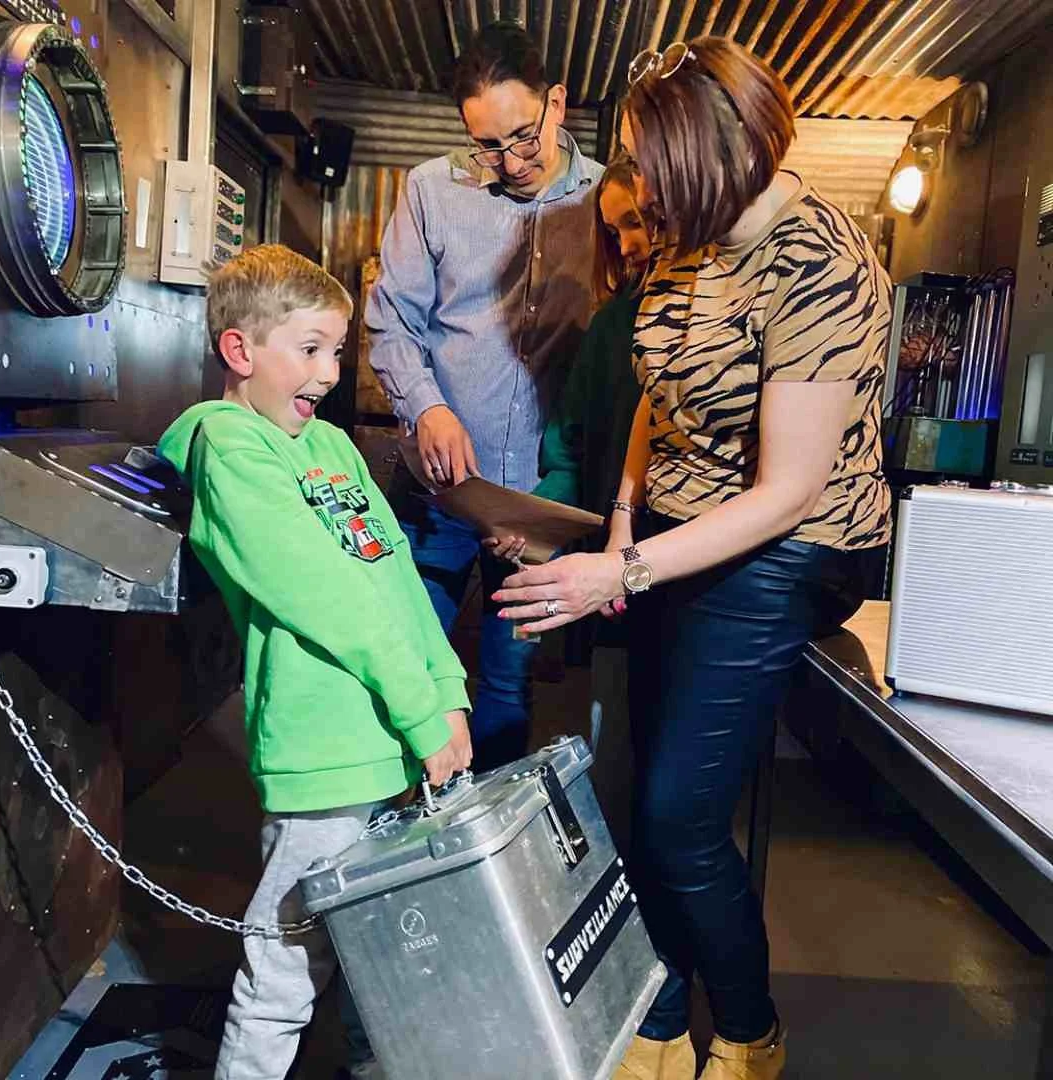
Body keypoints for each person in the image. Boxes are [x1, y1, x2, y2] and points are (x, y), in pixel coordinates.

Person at [494, 38, 892, 1080]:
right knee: (645, 793)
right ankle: (662, 1012)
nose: (644, 191)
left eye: (655, 164)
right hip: (676, 533)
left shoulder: (822, 260)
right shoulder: (689, 237)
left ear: (725, 153)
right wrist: (626, 522)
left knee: (677, 819)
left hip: (788, 547)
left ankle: (752, 1037)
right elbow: (655, 395)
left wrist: (615, 576)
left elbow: (788, 489)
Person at [157, 244, 472, 1080]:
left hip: (395, 745)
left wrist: (446, 696)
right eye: (309, 348)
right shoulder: (231, 450)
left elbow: (393, 575)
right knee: (287, 971)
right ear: (240, 350)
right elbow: (322, 590)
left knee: (389, 963)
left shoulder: (331, 448)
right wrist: (417, 704)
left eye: (338, 350)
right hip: (323, 754)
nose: (330, 371)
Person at [365, 20, 603, 772]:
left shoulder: (610, 202)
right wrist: (427, 407)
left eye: (523, 137)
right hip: (438, 494)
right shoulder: (432, 190)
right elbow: (392, 320)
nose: (508, 162)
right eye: (487, 146)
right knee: (408, 681)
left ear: (557, 102)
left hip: (537, 503)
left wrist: (560, 504)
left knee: (505, 695)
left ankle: (478, 868)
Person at [486, 151, 654, 852]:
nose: (629, 244)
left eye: (637, 223)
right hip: (616, 595)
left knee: (673, 797)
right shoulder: (612, 328)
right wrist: (530, 524)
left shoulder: (717, 316)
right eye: (615, 232)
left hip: (693, 579)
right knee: (613, 763)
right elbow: (569, 451)